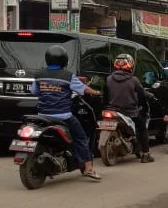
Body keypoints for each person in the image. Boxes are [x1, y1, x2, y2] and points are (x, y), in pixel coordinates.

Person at [30, 44, 102, 180]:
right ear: (64, 60)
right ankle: (88, 168)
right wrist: (96, 92)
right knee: (81, 138)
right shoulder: (68, 76)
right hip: (63, 116)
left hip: (42, 115)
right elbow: (84, 89)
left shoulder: (39, 75)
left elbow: (33, 91)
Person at [105, 53, 154, 163]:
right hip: (130, 111)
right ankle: (146, 154)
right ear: (130, 64)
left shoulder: (108, 79)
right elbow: (141, 95)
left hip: (112, 110)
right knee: (142, 128)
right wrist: (149, 98)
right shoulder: (133, 80)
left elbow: (106, 96)